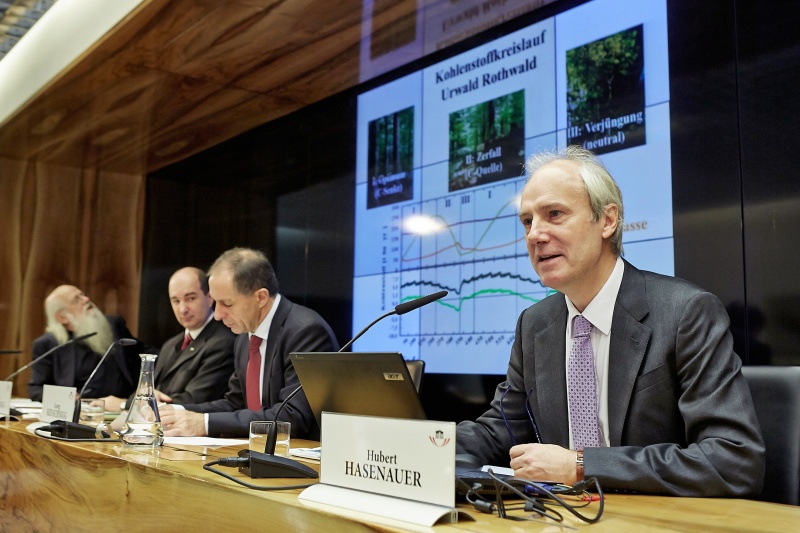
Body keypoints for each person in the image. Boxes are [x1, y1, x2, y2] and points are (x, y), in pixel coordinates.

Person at [456, 146, 765, 497]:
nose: (534, 235)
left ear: (607, 220)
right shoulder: (535, 325)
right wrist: (423, 446)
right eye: (528, 221)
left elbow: (734, 460)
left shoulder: (686, 313)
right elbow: (499, 431)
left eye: (554, 214)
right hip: (564, 518)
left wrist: (582, 465)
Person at [159, 248, 339, 438]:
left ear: (260, 297)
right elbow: (235, 404)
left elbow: (291, 418)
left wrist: (204, 424)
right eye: (216, 303)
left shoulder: (305, 332)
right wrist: (175, 411)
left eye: (226, 304)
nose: (218, 315)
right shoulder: (244, 337)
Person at [101, 267, 236, 411]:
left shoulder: (223, 342)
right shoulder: (171, 344)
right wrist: (145, 398)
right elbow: (146, 390)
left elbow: (195, 400)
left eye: (191, 298)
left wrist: (125, 404)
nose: (183, 309)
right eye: (176, 301)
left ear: (209, 298)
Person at [28, 285, 154, 402]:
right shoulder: (49, 344)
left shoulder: (114, 326)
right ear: (62, 318)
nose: (86, 299)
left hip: (121, 406)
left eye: (83, 295)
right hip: (81, 412)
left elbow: (146, 353)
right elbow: (36, 389)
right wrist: (67, 399)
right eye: (76, 300)